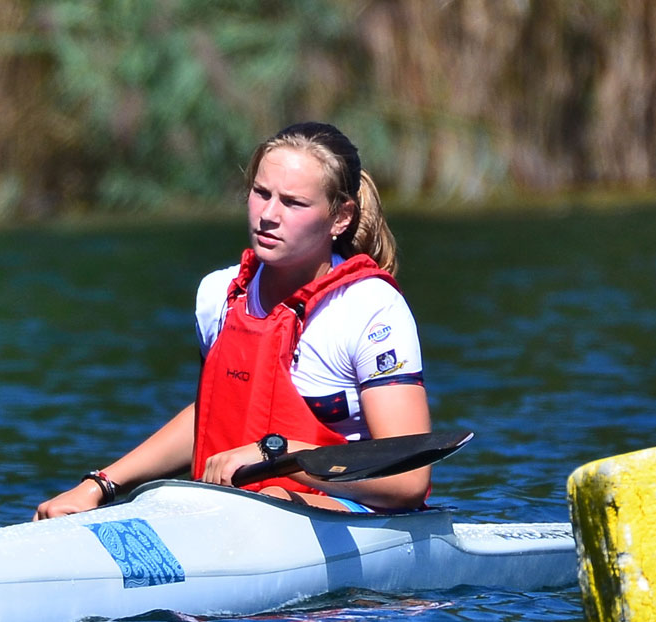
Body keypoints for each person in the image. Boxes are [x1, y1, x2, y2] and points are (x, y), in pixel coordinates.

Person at [34, 122, 430, 518]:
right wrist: (98, 486)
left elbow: (408, 482)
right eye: (261, 194)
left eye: (293, 203)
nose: (269, 215)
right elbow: (210, 414)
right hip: (229, 514)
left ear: (340, 217)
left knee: (273, 495)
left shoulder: (370, 309)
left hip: (346, 511)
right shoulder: (218, 295)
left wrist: (282, 454)